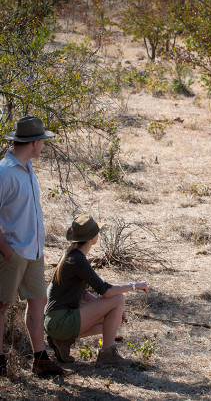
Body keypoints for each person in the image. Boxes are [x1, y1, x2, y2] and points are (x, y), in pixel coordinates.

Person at [0, 116, 64, 377]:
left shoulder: (27, 167)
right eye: (43, 142)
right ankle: (0, 362)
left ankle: (40, 359)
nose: (43, 147)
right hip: (12, 251)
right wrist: (6, 249)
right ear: (35, 143)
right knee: (2, 306)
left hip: (34, 251)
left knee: (38, 301)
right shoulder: (4, 172)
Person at [44, 214, 149, 367]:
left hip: (54, 322)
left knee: (115, 318)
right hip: (61, 321)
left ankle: (63, 340)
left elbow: (84, 294)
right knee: (118, 298)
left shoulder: (72, 256)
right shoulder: (77, 259)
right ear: (92, 237)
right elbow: (106, 291)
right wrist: (135, 285)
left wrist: (114, 310)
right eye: (97, 231)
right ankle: (107, 354)